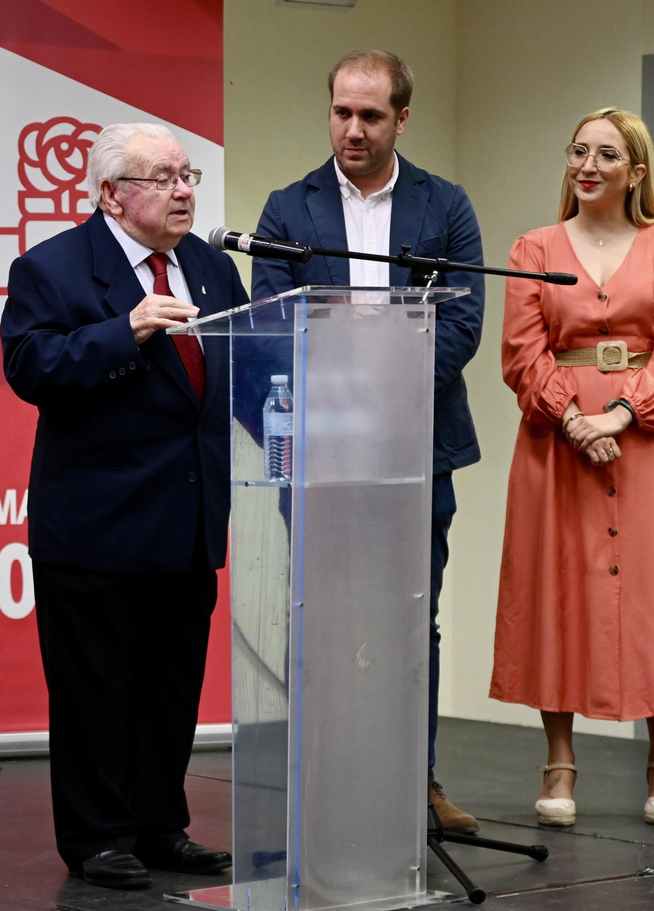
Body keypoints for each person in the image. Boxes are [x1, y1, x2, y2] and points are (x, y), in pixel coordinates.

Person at [1, 122, 247, 890]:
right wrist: (125, 329)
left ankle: (157, 822)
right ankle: (97, 835)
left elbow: (246, 355)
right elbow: (29, 363)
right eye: (164, 177)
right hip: (98, 526)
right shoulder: (54, 267)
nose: (184, 191)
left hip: (191, 515)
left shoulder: (207, 265)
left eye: (188, 176)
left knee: (171, 685)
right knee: (95, 689)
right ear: (113, 192)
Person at [250, 49, 485, 833]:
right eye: (341, 112)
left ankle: (414, 784)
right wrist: (361, 370)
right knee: (325, 617)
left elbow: (462, 323)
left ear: (402, 119)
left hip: (419, 450)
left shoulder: (445, 206)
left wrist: (376, 367)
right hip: (322, 451)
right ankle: (327, 780)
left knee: (413, 617)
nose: (352, 129)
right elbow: (275, 328)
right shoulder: (289, 208)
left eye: (371, 115)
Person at [491, 107, 654, 827]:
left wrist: (619, 416)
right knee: (555, 588)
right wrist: (573, 420)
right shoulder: (533, 247)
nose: (587, 166)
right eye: (578, 152)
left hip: (647, 438)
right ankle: (559, 764)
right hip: (557, 441)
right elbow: (521, 354)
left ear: (637, 172)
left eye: (606, 155)